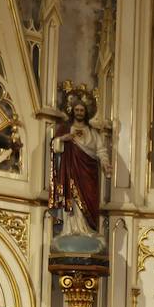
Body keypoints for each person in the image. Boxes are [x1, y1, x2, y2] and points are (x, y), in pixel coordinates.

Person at [49, 94, 110, 236]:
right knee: (71, 197)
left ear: (86, 113)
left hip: (88, 174)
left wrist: (106, 164)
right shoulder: (65, 129)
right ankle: (70, 229)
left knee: (88, 201)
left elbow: (101, 150)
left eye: (82, 110)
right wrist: (63, 139)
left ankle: (86, 228)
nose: (79, 113)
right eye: (77, 110)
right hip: (70, 171)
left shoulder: (93, 133)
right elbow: (53, 145)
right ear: (72, 111)